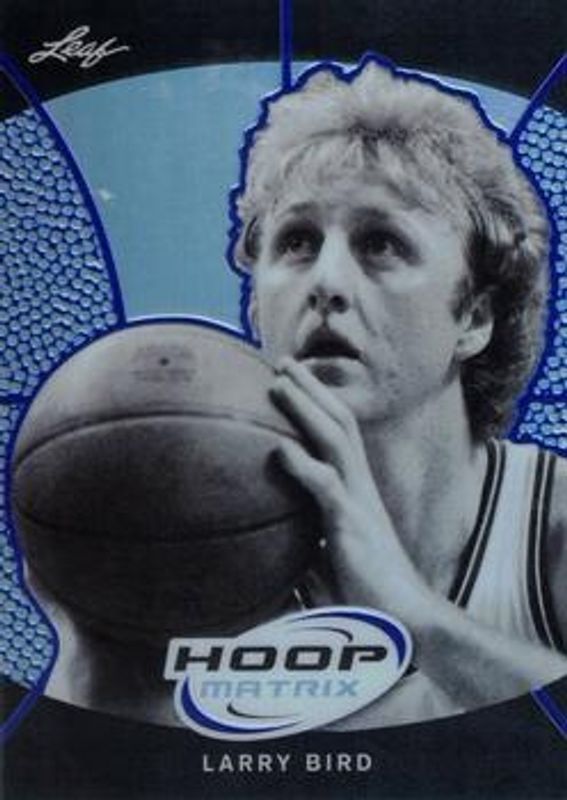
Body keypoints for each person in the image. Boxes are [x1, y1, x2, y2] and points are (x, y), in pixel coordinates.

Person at [230, 57, 567, 727]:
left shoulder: (550, 523)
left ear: (474, 317)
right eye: (296, 242)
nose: (326, 281)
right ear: (254, 305)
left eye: (380, 243)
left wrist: (405, 609)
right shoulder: (195, 533)